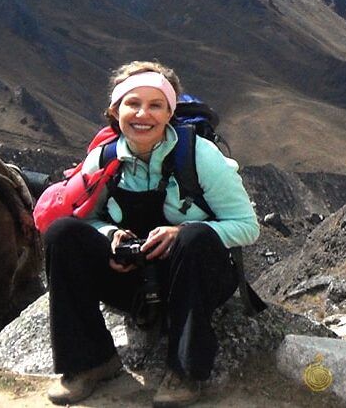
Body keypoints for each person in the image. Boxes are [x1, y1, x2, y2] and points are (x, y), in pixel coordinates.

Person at [44, 61, 260, 407]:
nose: (142, 114)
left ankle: (185, 369)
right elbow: (87, 220)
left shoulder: (199, 157)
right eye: (132, 104)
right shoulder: (102, 160)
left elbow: (247, 225)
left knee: (193, 238)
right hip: (131, 277)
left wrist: (181, 232)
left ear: (170, 111)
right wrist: (110, 235)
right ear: (115, 111)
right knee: (62, 233)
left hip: (193, 277)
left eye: (155, 105)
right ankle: (90, 362)